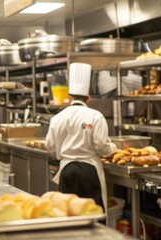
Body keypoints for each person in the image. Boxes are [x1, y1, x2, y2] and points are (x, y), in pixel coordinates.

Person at [45, 62, 117, 214]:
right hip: (90, 170)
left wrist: (62, 153)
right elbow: (102, 147)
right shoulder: (95, 116)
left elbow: (50, 147)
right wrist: (113, 148)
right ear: (88, 98)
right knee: (93, 213)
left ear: (70, 97)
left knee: (68, 213)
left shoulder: (57, 118)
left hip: (66, 170)